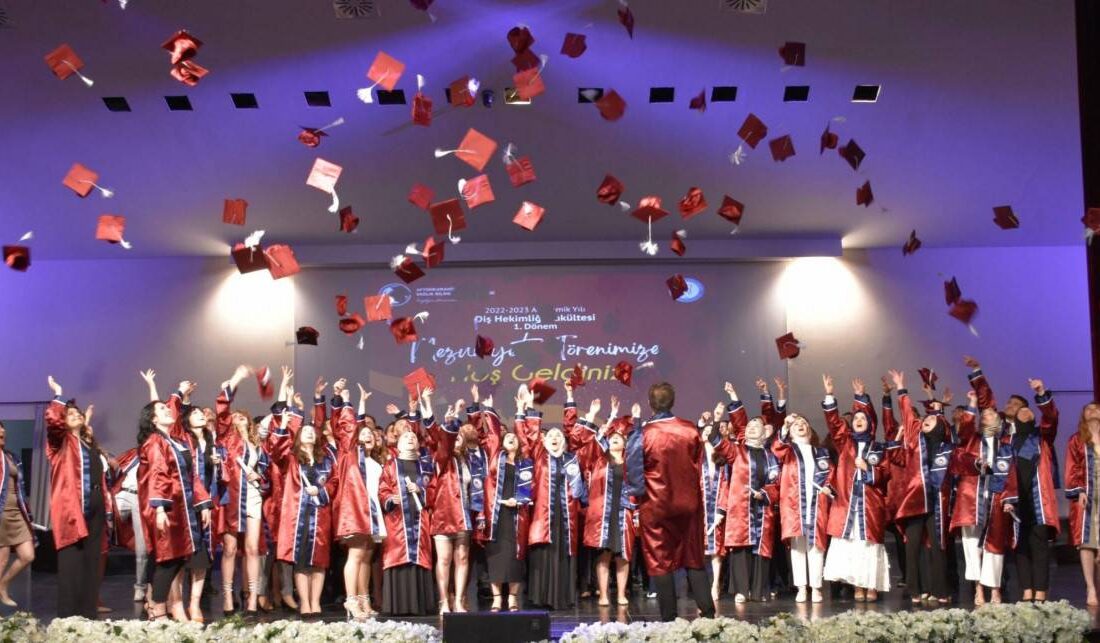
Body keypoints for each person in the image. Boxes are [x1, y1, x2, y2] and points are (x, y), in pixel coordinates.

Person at [624, 381, 715, 622]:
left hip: (656, 504)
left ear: (649, 404)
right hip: (689, 504)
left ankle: (669, 619)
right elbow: (697, 462)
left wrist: (637, 497)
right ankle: (708, 613)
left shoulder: (642, 434)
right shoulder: (690, 429)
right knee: (694, 557)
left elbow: (633, 473)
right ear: (673, 401)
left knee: (659, 560)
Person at [136, 370, 213, 621]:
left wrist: (203, 505)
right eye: (162, 409)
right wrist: (158, 509)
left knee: (182, 558)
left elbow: (193, 477)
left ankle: (161, 609)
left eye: (167, 408)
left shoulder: (177, 442)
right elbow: (158, 475)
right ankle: (157, 611)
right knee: (167, 560)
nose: (168, 411)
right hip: (167, 511)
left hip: (185, 511)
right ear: (153, 419)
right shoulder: (155, 442)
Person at [516, 384, 590, 611]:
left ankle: (565, 597)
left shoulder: (571, 459)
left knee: (565, 555)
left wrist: (569, 396)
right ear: (546, 441)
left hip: (567, 518)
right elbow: (529, 435)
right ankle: (540, 597)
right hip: (543, 516)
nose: (556, 437)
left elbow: (573, 430)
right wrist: (527, 407)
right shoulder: (540, 456)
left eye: (559, 435)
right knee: (542, 555)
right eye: (552, 435)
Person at [44, 375, 111, 619]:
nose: (76, 416)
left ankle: (88, 613)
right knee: (72, 562)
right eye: (70, 414)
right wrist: (59, 394)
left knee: (92, 563)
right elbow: (53, 421)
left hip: (95, 506)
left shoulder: (85, 443)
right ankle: (68, 616)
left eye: (78, 414)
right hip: (72, 509)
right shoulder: (59, 443)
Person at [891, 369, 958, 606]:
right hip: (914, 501)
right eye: (924, 419)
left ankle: (939, 589)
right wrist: (901, 388)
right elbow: (908, 415)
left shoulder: (945, 447)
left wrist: (938, 404)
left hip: (937, 500)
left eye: (930, 419)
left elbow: (943, 422)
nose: (925, 420)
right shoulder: (913, 439)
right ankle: (915, 590)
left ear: (940, 426)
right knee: (913, 548)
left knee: (937, 547)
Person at [821, 376, 891, 602]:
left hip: (869, 505)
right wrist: (830, 394)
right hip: (847, 505)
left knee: (867, 545)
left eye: (863, 417)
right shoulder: (846, 443)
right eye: (856, 417)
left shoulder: (878, 448)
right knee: (851, 545)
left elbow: (885, 473)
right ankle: (857, 586)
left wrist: (869, 470)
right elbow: (833, 424)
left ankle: (871, 585)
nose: (859, 420)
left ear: (871, 423)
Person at [269, 379, 335, 618]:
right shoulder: (291, 458)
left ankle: (315, 601)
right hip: (297, 516)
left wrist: (323, 491)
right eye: (304, 430)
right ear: (298, 437)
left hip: (320, 514)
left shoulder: (325, 459)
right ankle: (304, 601)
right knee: (300, 561)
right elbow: (275, 450)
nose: (308, 431)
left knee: (318, 560)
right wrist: (282, 425)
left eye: (311, 431)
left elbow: (334, 481)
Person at [708, 384, 780, 603]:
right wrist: (731, 399)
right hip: (740, 509)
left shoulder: (771, 456)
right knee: (740, 550)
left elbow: (775, 483)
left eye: (756, 426)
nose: (750, 428)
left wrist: (763, 495)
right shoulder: (736, 450)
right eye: (748, 425)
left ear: (765, 432)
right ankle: (741, 590)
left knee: (761, 551)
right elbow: (716, 439)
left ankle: (758, 591)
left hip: (761, 508)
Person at [329, 380, 387, 620]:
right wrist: (345, 399)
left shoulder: (374, 461)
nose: (364, 435)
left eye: (368, 433)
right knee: (355, 556)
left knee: (365, 557)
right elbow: (346, 427)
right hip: (354, 511)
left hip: (371, 512)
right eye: (360, 432)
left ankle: (364, 599)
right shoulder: (348, 453)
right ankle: (351, 600)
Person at [215, 365, 270, 615]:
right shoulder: (226, 438)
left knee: (252, 549)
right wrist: (236, 378)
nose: (235, 418)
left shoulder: (258, 447)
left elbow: (267, 476)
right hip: (232, 498)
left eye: (240, 416)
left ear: (248, 421)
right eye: (233, 417)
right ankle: (227, 596)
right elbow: (222, 409)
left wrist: (260, 476)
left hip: (253, 497)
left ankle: (251, 597)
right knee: (229, 549)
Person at [472, 388, 532, 612]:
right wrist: (488, 409)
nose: (510, 440)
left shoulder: (525, 463)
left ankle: (513, 598)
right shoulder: (495, 459)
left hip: (517, 514)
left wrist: (520, 411)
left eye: (513, 438)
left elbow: (530, 487)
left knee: (516, 556)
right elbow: (494, 436)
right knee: (495, 555)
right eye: (507, 438)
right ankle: (497, 597)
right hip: (496, 515)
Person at [949, 388, 1011, 605]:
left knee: (994, 545)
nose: (986, 415)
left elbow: (1010, 474)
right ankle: (978, 589)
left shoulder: (1005, 445)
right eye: (983, 414)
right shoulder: (971, 440)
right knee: (971, 544)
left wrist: (1009, 498)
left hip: (995, 498)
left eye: (991, 413)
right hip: (970, 499)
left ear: (999, 419)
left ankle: (995, 589)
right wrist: (973, 403)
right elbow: (964, 428)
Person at [378, 388, 436, 616]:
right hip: (398, 520)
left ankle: (421, 604)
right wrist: (389, 498)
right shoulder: (391, 465)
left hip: (420, 519)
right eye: (406, 437)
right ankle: (398, 605)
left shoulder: (425, 465)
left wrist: (420, 490)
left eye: (413, 437)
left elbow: (433, 489)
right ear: (398, 444)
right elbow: (383, 489)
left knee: (420, 559)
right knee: (398, 558)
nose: (411, 439)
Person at [427, 396, 484, 614]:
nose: (456, 440)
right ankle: (444, 600)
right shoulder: (441, 458)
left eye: (460, 438)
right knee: (444, 559)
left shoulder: (469, 461)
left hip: (464, 516)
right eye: (454, 438)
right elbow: (445, 441)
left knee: (462, 558)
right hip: (443, 516)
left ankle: (459, 600)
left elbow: (476, 489)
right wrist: (454, 418)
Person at [771, 411, 832, 603]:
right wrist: (785, 425)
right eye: (797, 423)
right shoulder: (788, 450)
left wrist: (828, 487)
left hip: (816, 504)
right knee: (797, 547)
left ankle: (816, 587)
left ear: (809, 429)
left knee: (816, 546)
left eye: (804, 422)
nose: (801, 424)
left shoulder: (821, 452)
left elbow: (830, 473)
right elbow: (776, 448)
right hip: (793, 504)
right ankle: (801, 587)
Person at [583, 397, 637, 607]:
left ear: (624, 442)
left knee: (623, 556)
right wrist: (612, 416)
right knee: (604, 555)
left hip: (623, 512)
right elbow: (594, 442)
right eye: (611, 437)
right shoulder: (600, 460)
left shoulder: (630, 462)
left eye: (618, 437)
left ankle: (622, 594)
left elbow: (637, 488)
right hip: (603, 512)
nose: (614, 439)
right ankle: (604, 594)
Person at [1064, 401, 1100, 605]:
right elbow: (1072, 468)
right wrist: (1078, 490)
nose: (1093, 411)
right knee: (1087, 542)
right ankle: (1091, 588)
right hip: (1087, 494)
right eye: (1088, 408)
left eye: (1096, 408)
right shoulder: (1076, 440)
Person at [0, 421, 35, 607]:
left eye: (2, 428)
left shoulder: (11, 456)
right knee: (2, 559)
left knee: (28, 555)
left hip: (16, 511)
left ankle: (3, 584)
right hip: (1, 514)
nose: (2, 431)